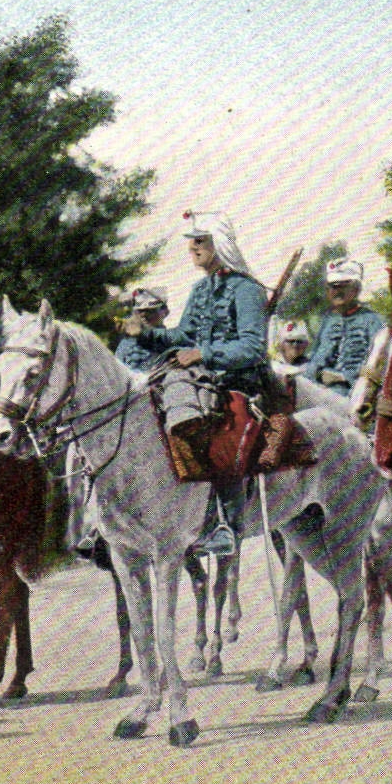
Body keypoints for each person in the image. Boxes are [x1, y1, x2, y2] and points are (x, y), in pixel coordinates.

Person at [155, 210, 269, 553]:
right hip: (201, 381)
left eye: (200, 241)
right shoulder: (200, 289)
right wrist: (147, 335)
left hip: (239, 382)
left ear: (219, 243)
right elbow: (182, 335)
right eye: (191, 241)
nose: (192, 247)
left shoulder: (247, 290)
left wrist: (203, 354)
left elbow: (253, 348)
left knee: (222, 439)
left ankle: (224, 525)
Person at [305, 257, 384, 397]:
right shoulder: (327, 321)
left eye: (343, 286)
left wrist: (343, 377)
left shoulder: (373, 320)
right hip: (319, 393)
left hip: (356, 396)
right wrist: (317, 373)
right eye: (333, 286)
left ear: (356, 289)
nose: (337, 291)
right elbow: (314, 359)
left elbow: (380, 366)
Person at [115, 288, 177, 372]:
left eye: (149, 311)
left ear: (164, 312)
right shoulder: (128, 346)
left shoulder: (171, 338)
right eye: (140, 311)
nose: (143, 315)